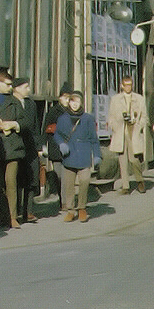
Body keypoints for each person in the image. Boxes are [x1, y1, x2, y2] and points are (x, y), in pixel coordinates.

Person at [53, 91, 102, 222]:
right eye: (72, 101)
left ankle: (82, 208)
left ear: (81, 103)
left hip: (84, 155)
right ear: (69, 102)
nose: (75, 104)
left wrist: (97, 155)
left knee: (85, 181)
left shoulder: (88, 118)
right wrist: (61, 144)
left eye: (77, 101)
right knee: (68, 185)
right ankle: (70, 210)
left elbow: (94, 138)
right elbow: (57, 134)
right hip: (69, 155)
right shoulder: (62, 118)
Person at [0, 71, 25, 229]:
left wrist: (14, 125)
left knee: (11, 182)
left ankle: (12, 217)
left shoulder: (14, 101)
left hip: (12, 147)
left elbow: (24, 121)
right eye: (8, 84)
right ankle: (2, 214)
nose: (11, 87)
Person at [107, 75, 150, 194]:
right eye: (126, 85)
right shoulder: (115, 99)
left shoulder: (139, 98)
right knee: (122, 160)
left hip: (133, 131)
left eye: (130, 85)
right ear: (121, 86)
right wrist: (115, 126)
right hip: (120, 132)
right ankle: (125, 186)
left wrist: (138, 125)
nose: (128, 87)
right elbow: (111, 117)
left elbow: (145, 118)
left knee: (134, 159)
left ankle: (139, 180)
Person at [11, 77, 39, 224]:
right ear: (16, 88)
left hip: (30, 146)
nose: (28, 89)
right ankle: (15, 212)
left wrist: (39, 147)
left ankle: (28, 211)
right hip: (15, 146)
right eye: (25, 87)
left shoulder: (31, 104)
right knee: (16, 180)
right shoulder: (10, 102)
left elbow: (35, 126)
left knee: (31, 179)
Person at [41, 82, 73, 203]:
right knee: (60, 175)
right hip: (56, 147)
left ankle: (66, 202)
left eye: (69, 97)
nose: (67, 100)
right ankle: (62, 199)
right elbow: (45, 128)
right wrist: (43, 145)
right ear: (60, 98)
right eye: (65, 97)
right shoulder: (53, 111)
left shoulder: (74, 111)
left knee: (68, 176)